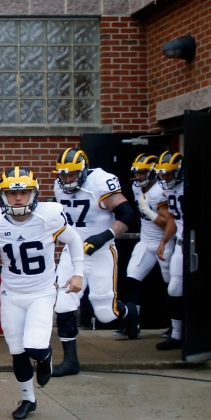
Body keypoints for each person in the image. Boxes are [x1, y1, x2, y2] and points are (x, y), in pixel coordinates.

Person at [0, 168, 84, 419]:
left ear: (34, 193)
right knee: (17, 350)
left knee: (34, 346)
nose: (18, 198)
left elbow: (74, 240)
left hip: (41, 291)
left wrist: (78, 273)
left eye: (23, 192)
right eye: (12, 193)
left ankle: (45, 357)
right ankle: (27, 399)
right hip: (11, 293)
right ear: (3, 196)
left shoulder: (48, 217)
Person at [51, 148, 140, 376]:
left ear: (83, 170)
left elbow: (129, 216)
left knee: (105, 314)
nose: (68, 179)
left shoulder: (100, 182)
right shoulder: (58, 186)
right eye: (64, 175)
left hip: (101, 252)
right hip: (72, 254)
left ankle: (130, 314)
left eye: (72, 174)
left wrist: (103, 237)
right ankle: (70, 360)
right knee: (63, 305)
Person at [118, 154, 172, 339]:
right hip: (145, 241)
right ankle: (133, 324)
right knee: (132, 278)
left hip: (163, 242)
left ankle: (175, 327)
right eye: (137, 173)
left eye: (142, 173)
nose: (139, 177)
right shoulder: (136, 187)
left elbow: (167, 222)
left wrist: (147, 210)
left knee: (172, 285)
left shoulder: (159, 190)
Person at [154, 151, 185, 351]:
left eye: (169, 174)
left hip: (193, 244)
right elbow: (174, 218)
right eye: (163, 174)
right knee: (174, 289)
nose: (165, 178)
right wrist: (164, 241)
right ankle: (176, 334)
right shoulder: (170, 190)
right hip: (181, 243)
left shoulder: (189, 187)